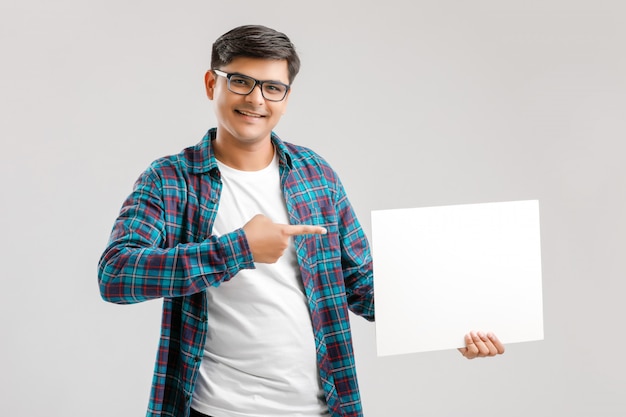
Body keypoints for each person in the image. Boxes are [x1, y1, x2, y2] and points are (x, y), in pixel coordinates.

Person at [98, 24, 504, 417]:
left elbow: (361, 282)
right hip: (214, 408)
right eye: (240, 81)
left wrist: (451, 325)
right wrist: (239, 248)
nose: (256, 100)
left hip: (318, 407)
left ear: (286, 97)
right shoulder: (171, 180)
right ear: (211, 84)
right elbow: (116, 275)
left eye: (272, 88)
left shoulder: (315, 174)